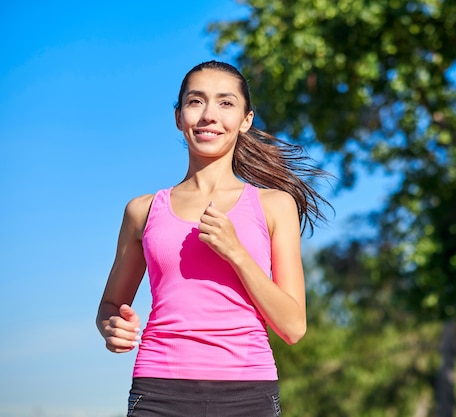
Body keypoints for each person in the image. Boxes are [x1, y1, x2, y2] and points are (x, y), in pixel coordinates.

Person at [96, 60, 331, 417]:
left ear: (246, 120)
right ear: (178, 117)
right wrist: (113, 327)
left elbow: (293, 327)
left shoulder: (274, 205)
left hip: (247, 393)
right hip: (159, 391)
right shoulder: (142, 210)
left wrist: (237, 253)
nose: (209, 115)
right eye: (195, 102)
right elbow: (110, 306)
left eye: (225, 103)